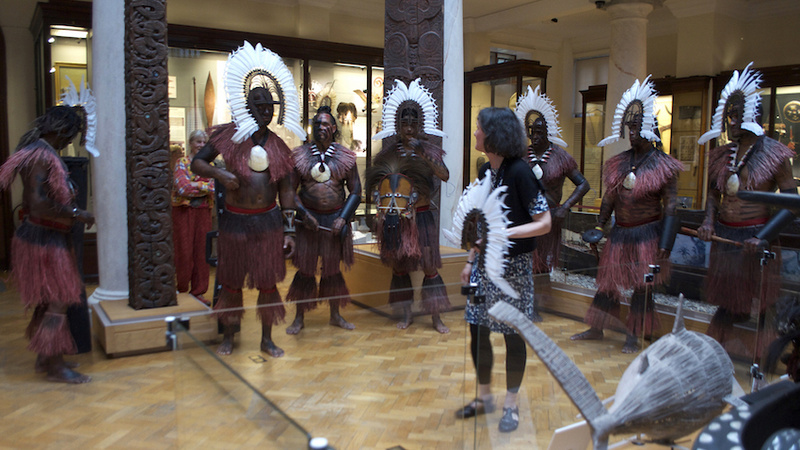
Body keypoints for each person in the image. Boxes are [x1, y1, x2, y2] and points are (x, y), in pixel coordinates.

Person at [191, 41, 306, 357]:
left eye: (269, 105)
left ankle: (267, 339)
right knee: (230, 283)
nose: (264, 110)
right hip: (235, 222)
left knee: (268, 284)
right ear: (246, 104)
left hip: (268, 223)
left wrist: (290, 230)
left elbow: (286, 191)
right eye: (258, 104)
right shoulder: (229, 136)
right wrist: (221, 175)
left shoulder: (280, 147)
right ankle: (228, 335)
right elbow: (197, 162)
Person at [455, 107, 551, 433]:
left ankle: (511, 404)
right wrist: (470, 261)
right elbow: (482, 224)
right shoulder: (486, 172)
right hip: (484, 266)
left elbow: (544, 222)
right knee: (477, 331)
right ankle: (484, 398)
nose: (475, 133)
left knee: (512, 336)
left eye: (479, 128)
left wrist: (505, 233)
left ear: (493, 134)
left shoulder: (520, 172)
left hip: (514, 270)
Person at [570, 76, 683, 353]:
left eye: (635, 127)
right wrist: (599, 224)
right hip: (620, 231)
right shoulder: (620, 162)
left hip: (647, 233)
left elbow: (671, 206)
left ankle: (634, 334)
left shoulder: (664, 165)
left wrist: (665, 244)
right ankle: (597, 327)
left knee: (642, 287)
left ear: (648, 129)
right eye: (628, 127)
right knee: (608, 282)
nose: (631, 133)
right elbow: (610, 195)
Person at [696, 63, 796, 351]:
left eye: (736, 116)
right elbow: (715, 195)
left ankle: (764, 360)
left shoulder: (776, 154)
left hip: (757, 239)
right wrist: (707, 222)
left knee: (764, 305)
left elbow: (792, 204)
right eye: (728, 116)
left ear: (752, 115)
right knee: (728, 301)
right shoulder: (721, 155)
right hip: (727, 239)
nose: (730, 122)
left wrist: (762, 237)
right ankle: (713, 354)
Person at [0, 106, 94, 383]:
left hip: (45, 237)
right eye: (70, 135)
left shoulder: (41, 152)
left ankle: (46, 357)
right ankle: (54, 366)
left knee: (49, 300)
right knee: (59, 300)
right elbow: (39, 204)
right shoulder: (40, 156)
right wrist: (78, 214)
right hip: (44, 239)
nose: (69, 142)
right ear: (60, 130)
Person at [367, 78, 451, 333]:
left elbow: (445, 175)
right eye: (405, 122)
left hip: (423, 216)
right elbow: (377, 186)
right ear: (398, 124)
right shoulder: (388, 153)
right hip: (397, 219)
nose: (410, 127)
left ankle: (436, 317)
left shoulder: (430, 150)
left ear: (420, 123)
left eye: (414, 122)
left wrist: (422, 152)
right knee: (400, 266)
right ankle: (405, 314)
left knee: (429, 265)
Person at [515, 85, 590, 320]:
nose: (535, 136)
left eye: (539, 131)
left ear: (548, 131)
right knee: (524, 260)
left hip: (549, 218)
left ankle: (536, 305)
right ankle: (524, 304)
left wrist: (565, 207)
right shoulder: (521, 156)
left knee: (541, 263)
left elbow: (583, 184)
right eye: (531, 131)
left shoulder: (560, 156)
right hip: (526, 218)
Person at [286, 105, 361, 334]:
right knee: (305, 269)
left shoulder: (346, 157)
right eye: (317, 124)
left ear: (334, 128)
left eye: (325, 124)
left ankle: (335, 315)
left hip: (334, 219)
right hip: (308, 220)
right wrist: (303, 214)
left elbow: (356, 191)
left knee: (332, 269)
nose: (320, 127)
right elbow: (289, 191)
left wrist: (343, 219)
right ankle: (299, 318)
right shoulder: (299, 156)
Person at [171, 130, 214, 304]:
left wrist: (195, 183)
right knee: (184, 251)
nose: (201, 145)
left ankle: (198, 292)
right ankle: (182, 290)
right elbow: (183, 188)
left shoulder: (210, 165)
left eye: (204, 142)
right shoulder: (182, 162)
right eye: (198, 142)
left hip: (203, 212)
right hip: (183, 213)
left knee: (202, 252)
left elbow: (214, 187)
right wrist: (202, 185)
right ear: (190, 143)